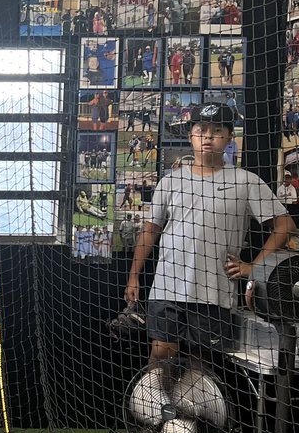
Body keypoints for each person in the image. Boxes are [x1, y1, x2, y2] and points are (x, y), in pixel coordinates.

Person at [125, 103, 294, 367]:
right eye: (201, 129)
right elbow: (151, 230)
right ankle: (157, 409)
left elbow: (285, 225)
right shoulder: (171, 181)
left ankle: (189, 411)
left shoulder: (245, 181)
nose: (207, 136)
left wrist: (255, 268)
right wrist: (134, 276)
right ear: (191, 134)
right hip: (167, 288)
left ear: (228, 137)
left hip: (214, 293)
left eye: (216, 130)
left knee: (199, 366)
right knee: (160, 357)